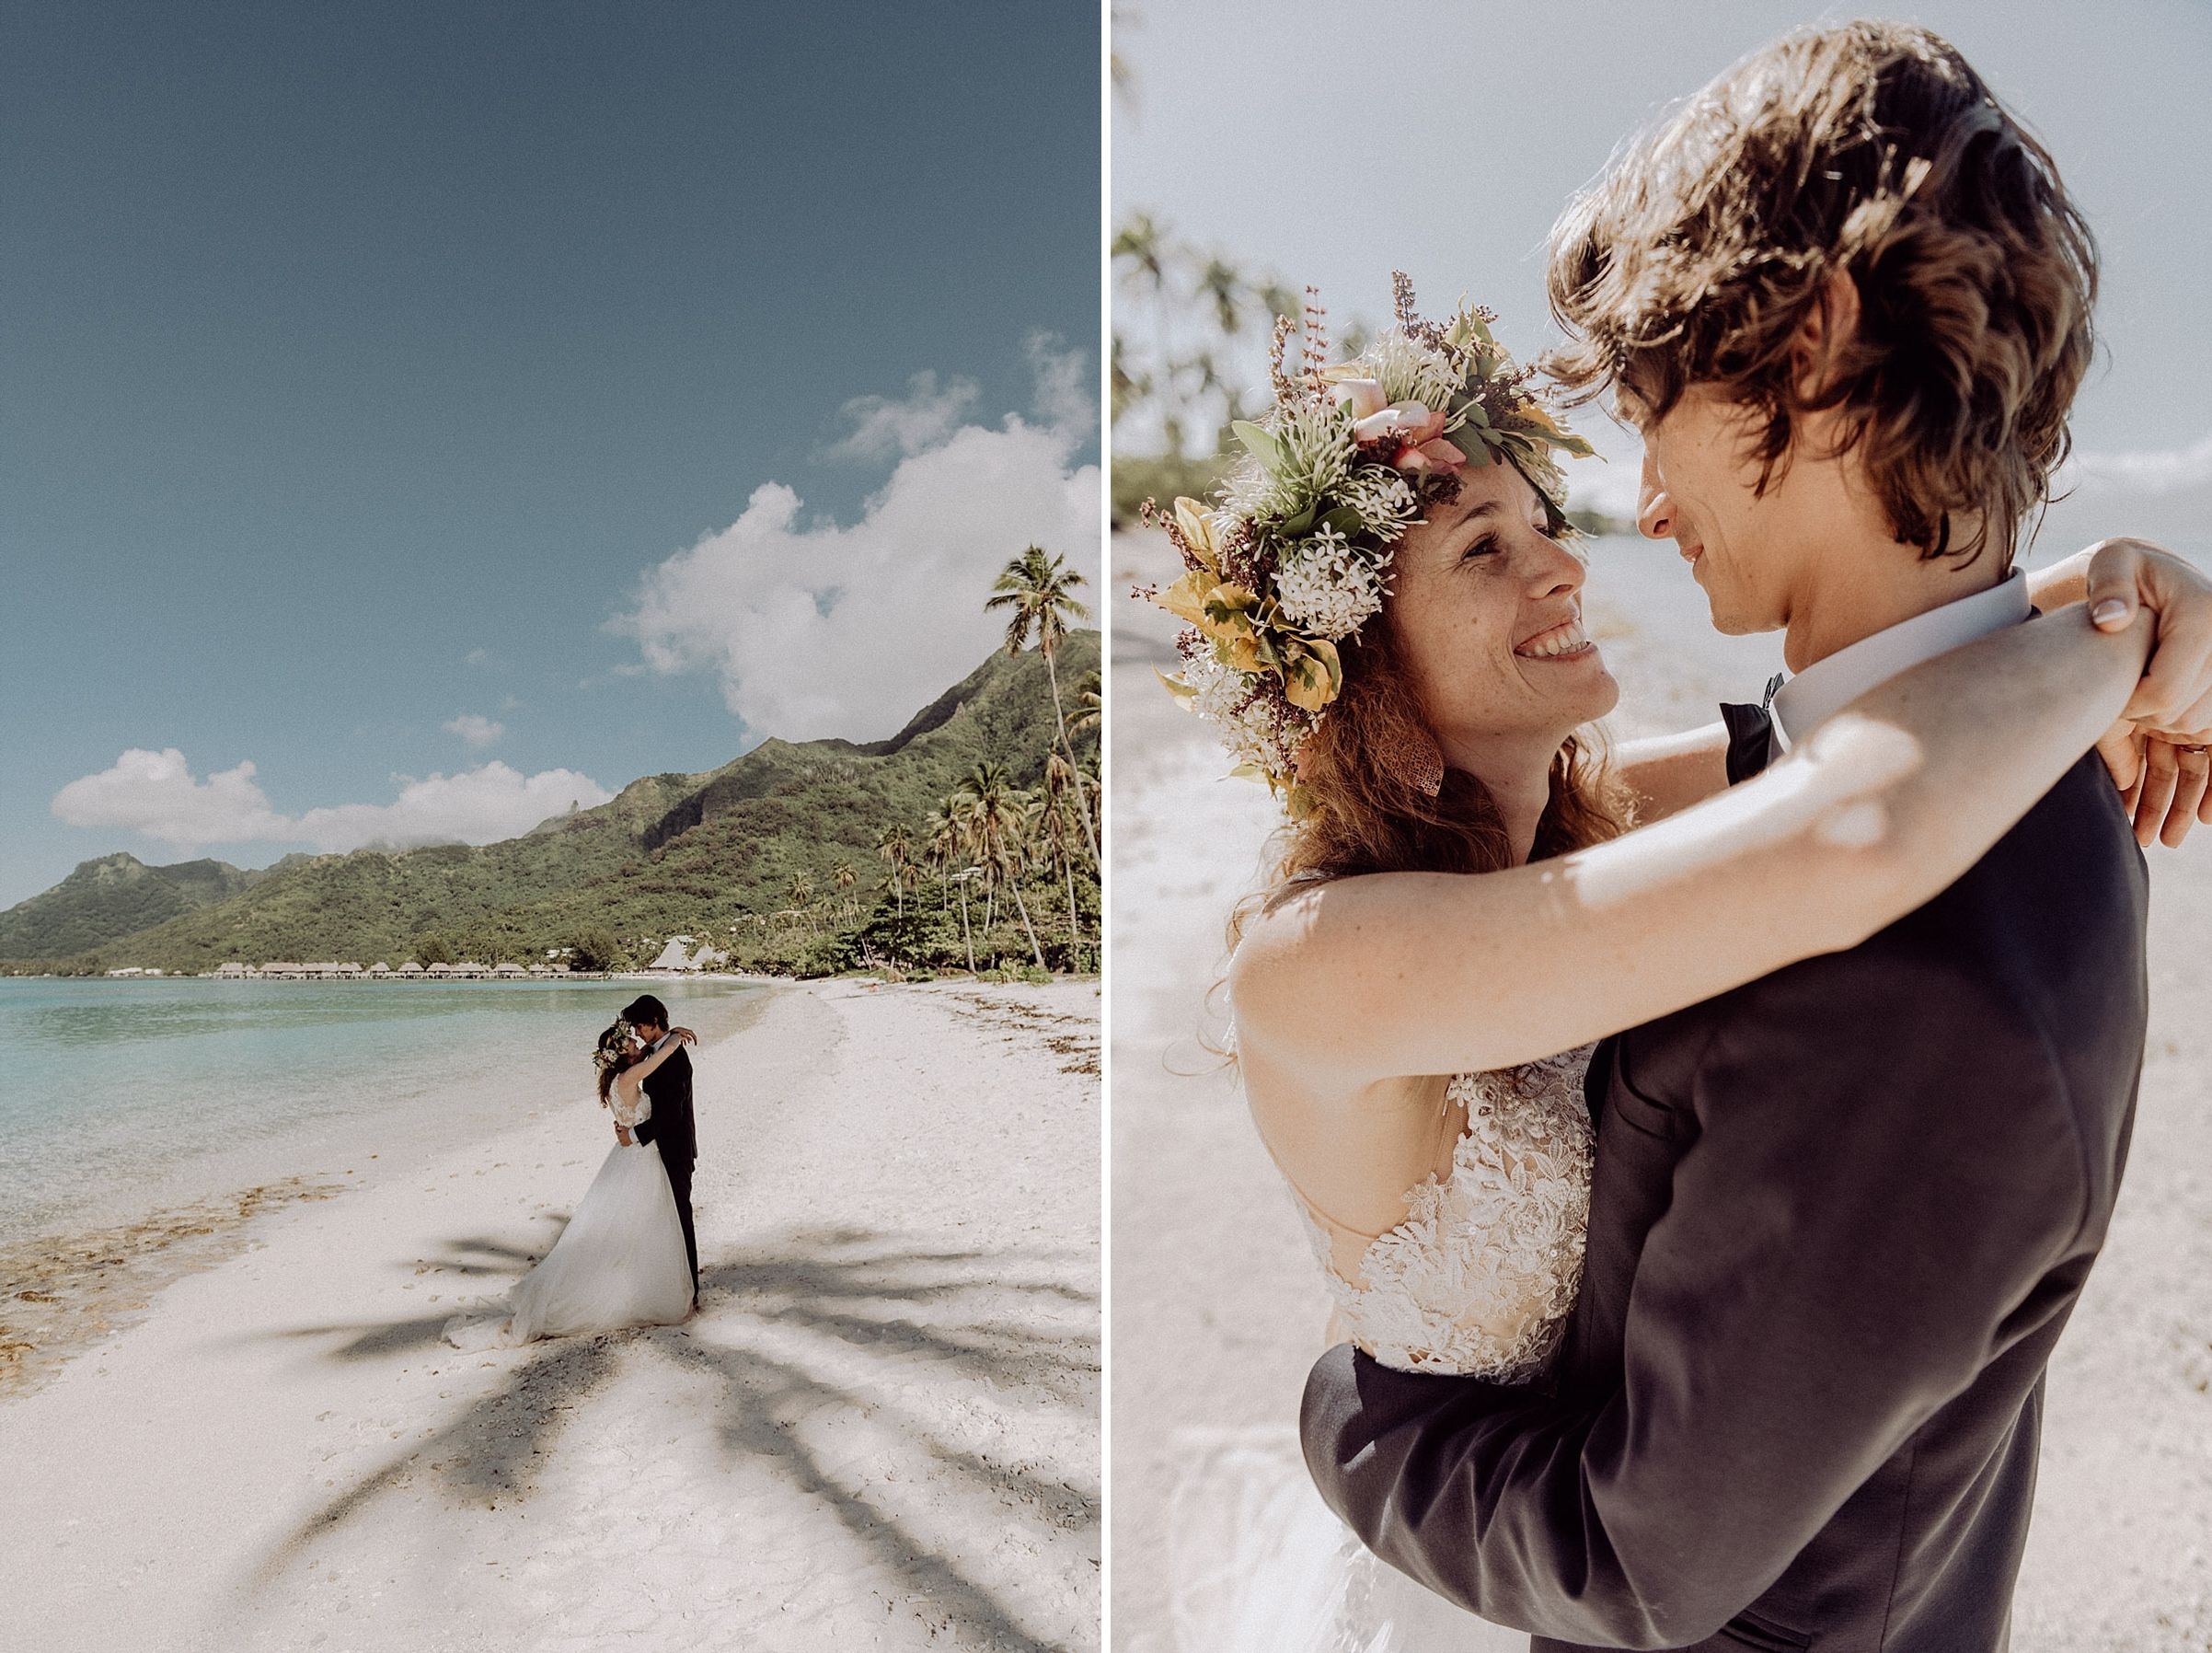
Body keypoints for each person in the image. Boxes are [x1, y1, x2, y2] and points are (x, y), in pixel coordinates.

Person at [1198, 23, 2210, 1651]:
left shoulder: (1914, 969)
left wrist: (1343, 1420)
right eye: (1484, 547)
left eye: (1645, 406)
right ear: (1359, 666)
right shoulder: (1836, 804)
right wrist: (2101, 608)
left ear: (1803, 350)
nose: (1624, 522)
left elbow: (1643, 1562)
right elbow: (1829, 802)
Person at [443, 1011, 697, 1349]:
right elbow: (662, 1053)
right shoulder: (632, 1075)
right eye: (629, 1039)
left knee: (634, 1226)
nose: (636, 1039)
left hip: (632, 1157)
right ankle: (648, 1289)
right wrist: (676, 1036)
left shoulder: (617, 1080)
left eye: (637, 1033)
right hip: (640, 1158)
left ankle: (646, 1281)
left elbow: (653, 1057)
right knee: (647, 1223)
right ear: (621, 1053)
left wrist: (667, 1034)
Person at [621, 993, 702, 1308]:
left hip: (676, 1150)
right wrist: (671, 1035)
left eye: (640, 1026)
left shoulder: (675, 1058)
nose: (637, 1033)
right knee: (665, 1220)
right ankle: (671, 1282)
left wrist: (634, 1134)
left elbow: (672, 1113)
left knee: (681, 1219)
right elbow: (630, 1054)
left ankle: (691, 1291)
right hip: (661, 1150)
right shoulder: (658, 1050)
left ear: (655, 1021)